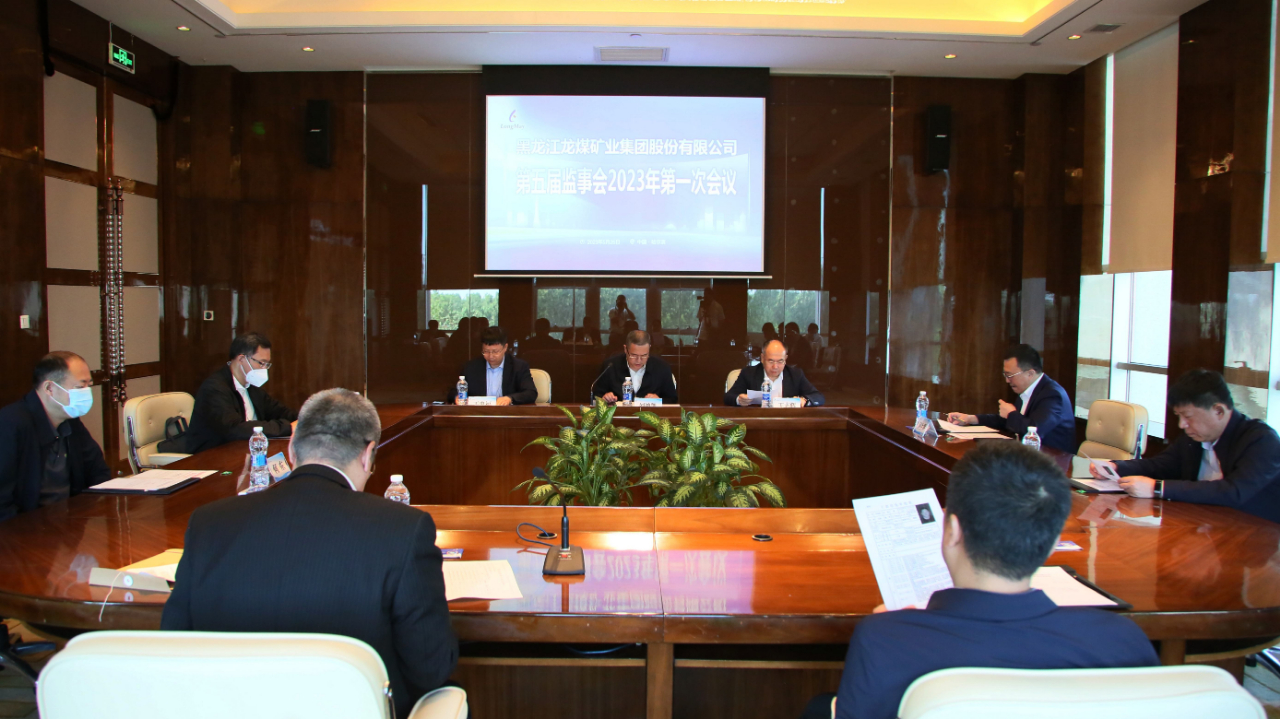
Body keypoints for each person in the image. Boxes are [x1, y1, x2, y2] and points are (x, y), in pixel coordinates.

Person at [801, 442, 1158, 719]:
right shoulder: (1122, 641)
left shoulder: (885, 638)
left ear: (951, 531)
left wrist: (889, 629)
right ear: (1051, 543)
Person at [162, 389, 458, 717]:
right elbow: (430, 669)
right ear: (368, 455)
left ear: (291, 450)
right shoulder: (404, 529)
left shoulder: (208, 524)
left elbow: (174, 646)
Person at [1092, 369, 1280, 524]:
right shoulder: (1195, 436)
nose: (1182, 424)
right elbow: (1163, 464)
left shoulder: (1261, 440)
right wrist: (1116, 467)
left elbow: (1233, 491)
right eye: (1179, 416)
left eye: (1188, 416)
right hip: (1200, 523)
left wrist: (1158, 488)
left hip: (1253, 535)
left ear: (1219, 411)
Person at [0, 352, 110, 522]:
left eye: (89, 385)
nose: (86, 393)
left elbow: (98, 471)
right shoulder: (10, 423)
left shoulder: (70, 419)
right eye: (80, 387)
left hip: (69, 521)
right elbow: (2, 501)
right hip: (27, 527)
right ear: (49, 388)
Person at [180, 333, 297, 454]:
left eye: (267, 364)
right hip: (212, 456)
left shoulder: (252, 387)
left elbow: (279, 411)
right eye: (261, 363)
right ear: (241, 359)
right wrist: (287, 427)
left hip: (245, 452)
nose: (264, 369)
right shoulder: (214, 389)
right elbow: (235, 428)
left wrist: (304, 420)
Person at [945, 344, 1075, 453]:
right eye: (1005, 375)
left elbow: (1034, 431)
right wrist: (971, 419)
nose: (1007, 381)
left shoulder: (1052, 395)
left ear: (1030, 373)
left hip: (1052, 463)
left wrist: (1011, 414)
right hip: (1026, 457)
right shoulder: (1028, 389)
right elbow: (1007, 421)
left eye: (1010, 375)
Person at [450, 326, 538, 405]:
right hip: (479, 414)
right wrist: (456, 397)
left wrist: (510, 398)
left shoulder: (519, 366)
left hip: (507, 414)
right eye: (486, 351)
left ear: (505, 347)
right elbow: (452, 392)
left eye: (495, 351)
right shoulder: (470, 367)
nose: (491, 356)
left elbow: (531, 393)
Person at [726, 340, 824, 407]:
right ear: (762, 358)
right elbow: (728, 397)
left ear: (785, 359)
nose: (775, 366)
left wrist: (804, 401)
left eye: (780, 361)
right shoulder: (749, 373)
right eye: (771, 361)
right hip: (758, 422)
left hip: (787, 423)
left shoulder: (795, 374)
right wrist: (739, 399)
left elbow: (818, 397)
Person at [592, 331, 678, 404]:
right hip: (617, 416)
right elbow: (596, 396)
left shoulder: (661, 367)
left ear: (649, 349)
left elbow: (672, 400)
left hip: (651, 416)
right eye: (634, 355)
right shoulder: (610, 366)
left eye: (644, 355)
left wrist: (658, 400)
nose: (639, 360)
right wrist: (605, 398)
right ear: (625, 349)